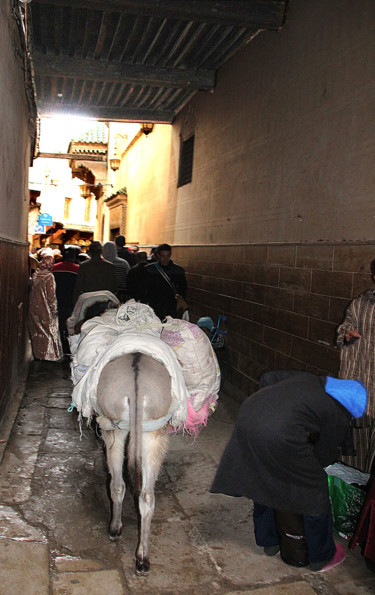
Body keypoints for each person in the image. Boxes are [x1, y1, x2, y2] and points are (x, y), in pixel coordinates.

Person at [210, 370, 367, 572]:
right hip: (277, 431)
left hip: (249, 414)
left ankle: (269, 541)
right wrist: (305, 474)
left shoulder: (310, 379)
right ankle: (323, 556)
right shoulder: (340, 414)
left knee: (264, 476)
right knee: (315, 490)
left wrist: (273, 407)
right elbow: (324, 454)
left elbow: (268, 377)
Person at [337, 258, 375, 473]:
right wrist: (347, 335)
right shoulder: (360, 304)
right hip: (360, 383)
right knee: (354, 448)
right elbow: (344, 330)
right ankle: (353, 493)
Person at [28, 254, 63, 361]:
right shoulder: (49, 277)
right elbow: (51, 296)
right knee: (49, 330)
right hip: (45, 307)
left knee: (37, 330)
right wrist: (54, 309)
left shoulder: (35, 275)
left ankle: (38, 353)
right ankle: (50, 354)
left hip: (33, 305)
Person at [142, 243, 187, 319]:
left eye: (168, 256)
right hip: (154, 305)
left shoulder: (178, 271)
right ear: (158, 255)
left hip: (171, 305)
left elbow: (183, 289)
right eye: (163, 256)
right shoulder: (149, 270)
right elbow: (144, 288)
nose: (165, 259)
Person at [52, 247, 80, 354]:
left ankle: (58, 346)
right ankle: (68, 346)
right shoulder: (78, 269)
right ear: (74, 257)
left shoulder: (54, 268)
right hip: (71, 300)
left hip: (57, 299)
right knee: (69, 324)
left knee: (58, 324)